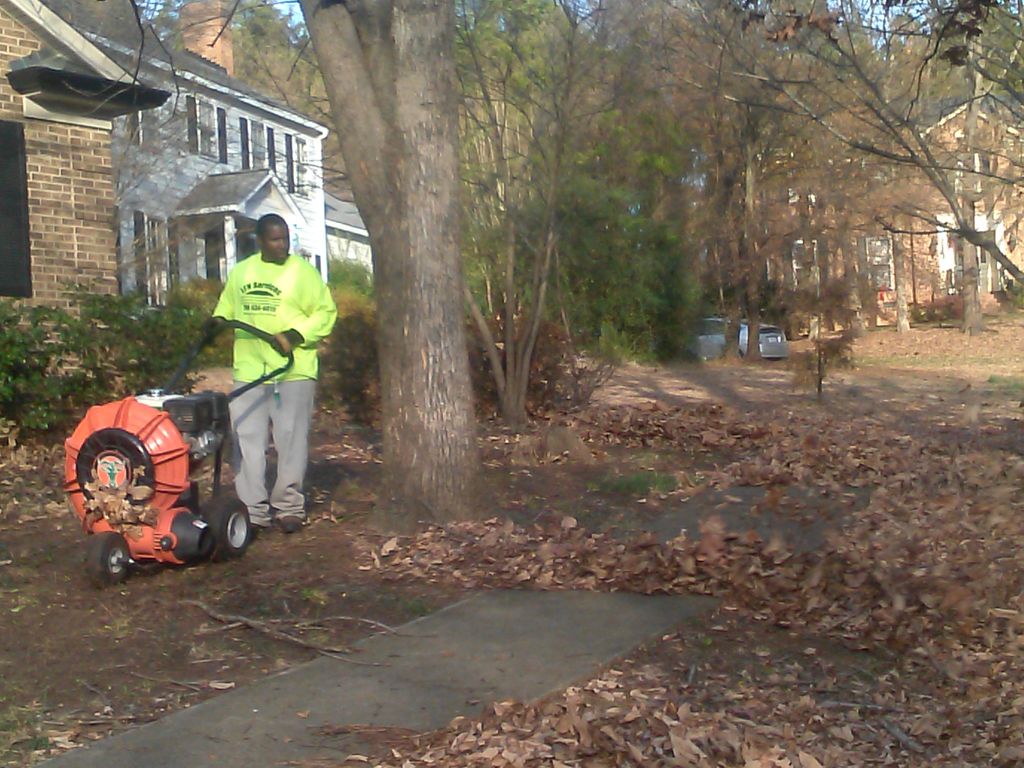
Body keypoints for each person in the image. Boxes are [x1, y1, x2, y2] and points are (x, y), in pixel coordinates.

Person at [209, 213, 337, 534]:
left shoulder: (303, 274)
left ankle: (289, 506)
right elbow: (226, 309)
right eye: (275, 240)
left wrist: (295, 335)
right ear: (260, 241)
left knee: (291, 440)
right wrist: (215, 323)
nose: (282, 246)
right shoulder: (242, 272)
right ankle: (252, 509)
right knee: (246, 439)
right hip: (250, 370)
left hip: (293, 371)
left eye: (285, 239)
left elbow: (326, 312)